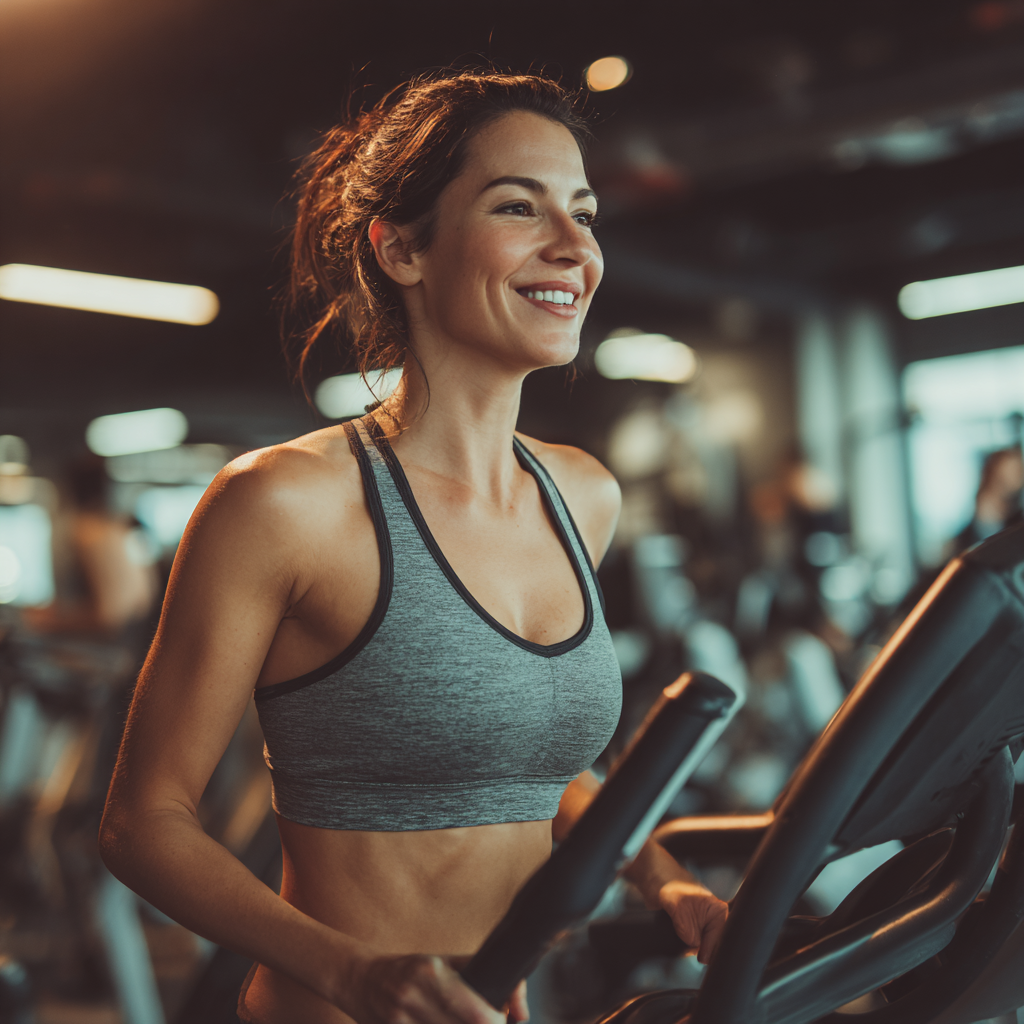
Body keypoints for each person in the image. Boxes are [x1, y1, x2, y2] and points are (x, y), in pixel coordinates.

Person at [98, 71, 728, 1024]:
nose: (574, 247)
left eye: (584, 212)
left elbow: (539, 766)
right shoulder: (284, 503)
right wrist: (359, 975)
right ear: (400, 249)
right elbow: (142, 826)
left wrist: (669, 884)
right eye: (519, 206)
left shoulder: (582, 495)